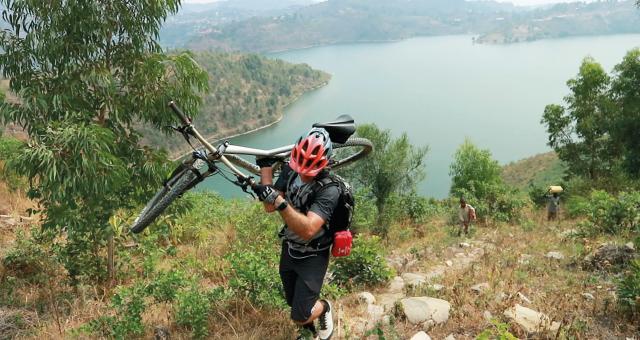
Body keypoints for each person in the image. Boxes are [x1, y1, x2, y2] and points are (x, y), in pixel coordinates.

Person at [251, 127, 338, 340]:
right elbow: (269, 207)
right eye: (300, 167)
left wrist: (279, 202)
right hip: (290, 248)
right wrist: (265, 169)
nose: (304, 173)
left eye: (310, 170)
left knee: (299, 315)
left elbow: (308, 229)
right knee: (292, 301)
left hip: (313, 254)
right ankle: (308, 332)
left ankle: (325, 308)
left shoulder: (330, 190)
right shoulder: (292, 170)